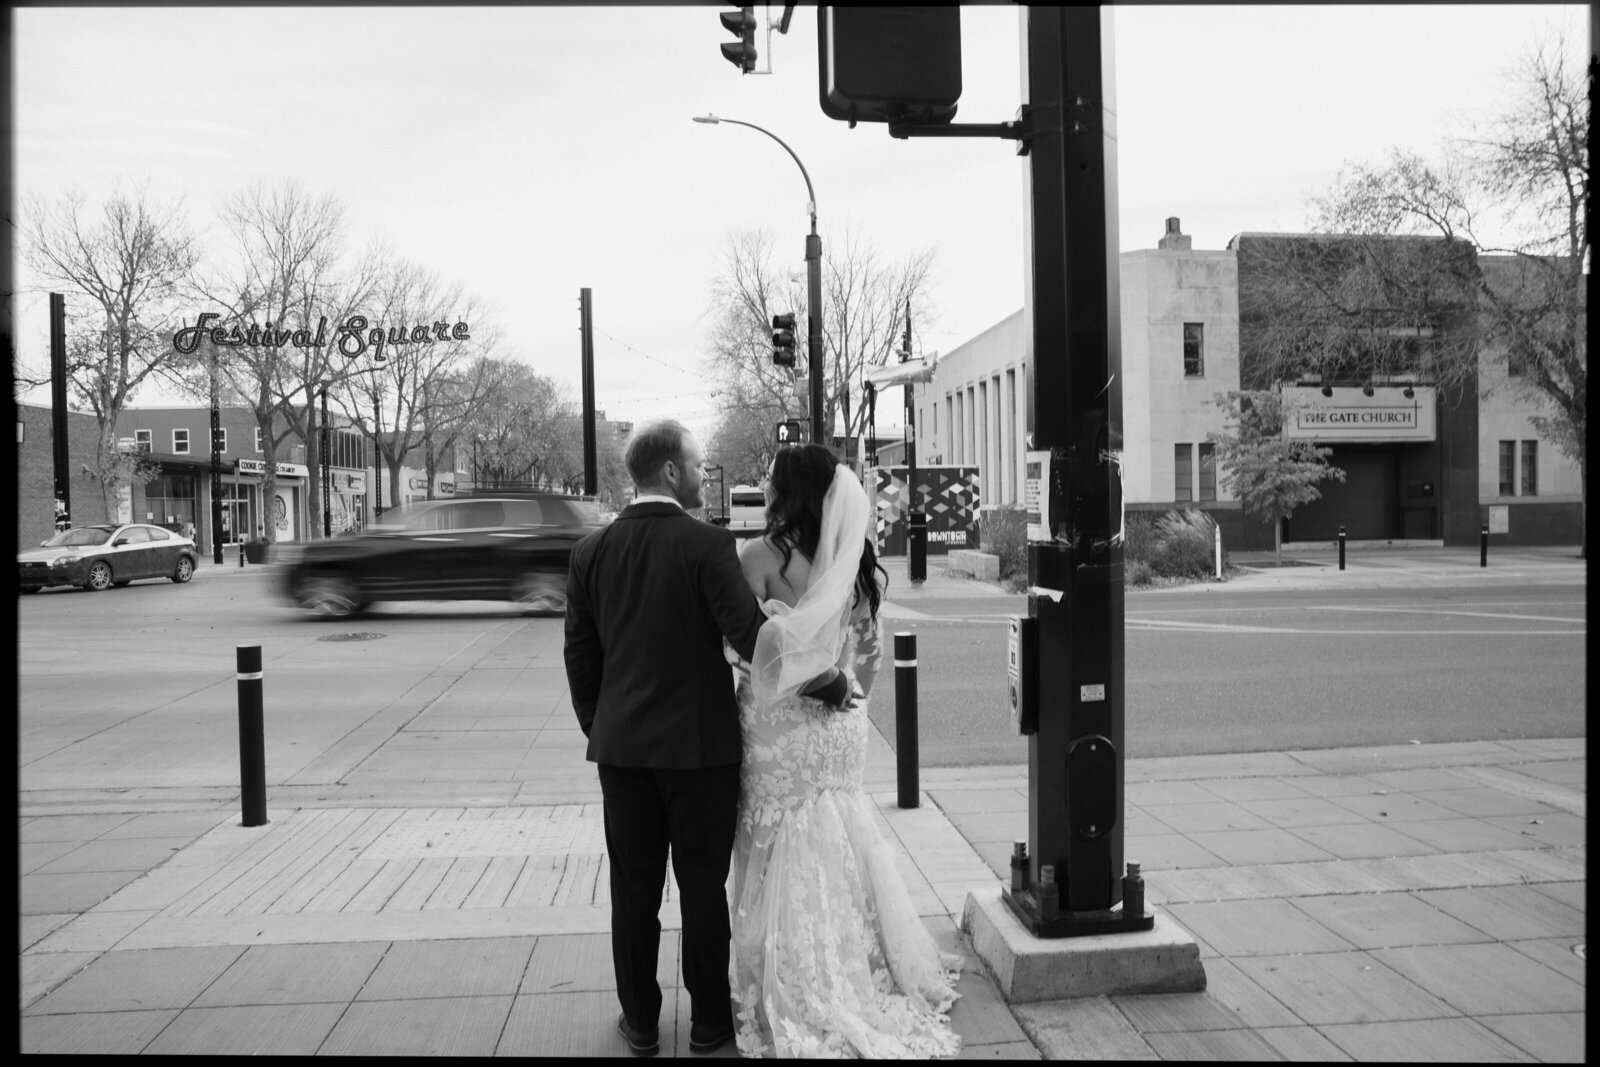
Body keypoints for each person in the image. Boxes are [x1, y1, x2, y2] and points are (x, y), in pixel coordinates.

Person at [563, 420, 849, 1058]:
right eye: (696, 465)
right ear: (670, 472)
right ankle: (709, 1025)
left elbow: (580, 658)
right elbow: (754, 640)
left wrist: (604, 728)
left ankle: (639, 1024)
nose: (702, 474)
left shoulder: (589, 553)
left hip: (623, 753)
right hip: (701, 753)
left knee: (633, 891)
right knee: (702, 886)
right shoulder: (708, 546)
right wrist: (825, 682)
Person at [728, 444, 962, 1058]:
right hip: (838, 726)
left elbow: (745, 648)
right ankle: (855, 962)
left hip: (778, 729)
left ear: (788, 491)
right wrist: (848, 699)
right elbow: (868, 653)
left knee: (777, 839)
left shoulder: (757, 556)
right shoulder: (852, 559)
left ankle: (791, 973)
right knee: (841, 838)